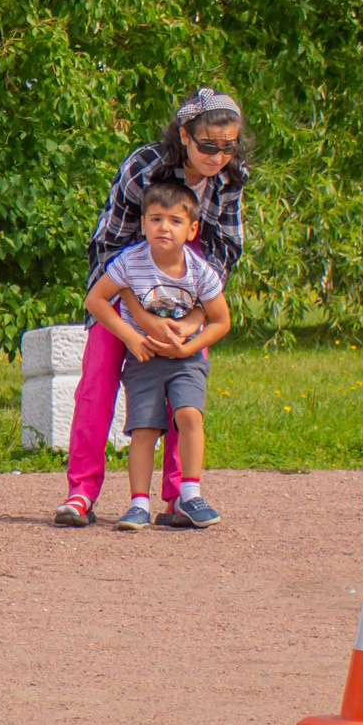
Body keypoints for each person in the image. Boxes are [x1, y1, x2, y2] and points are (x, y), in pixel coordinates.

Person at [55, 88, 250, 528]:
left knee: (184, 388)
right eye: (207, 146)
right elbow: (108, 244)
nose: (218, 156)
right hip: (122, 284)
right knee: (97, 385)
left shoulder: (232, 178)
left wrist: (192, 319)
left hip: (190, 288)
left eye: (228, 146)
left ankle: (179, 496)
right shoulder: (142, 169)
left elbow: (224, 252)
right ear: (184, 136)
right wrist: (138, 316)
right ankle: (81, 492)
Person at [83, 179, 232, 531]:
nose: (164, 227)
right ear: (144, 223)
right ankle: (138, 504)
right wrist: (132, 339)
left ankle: (190, 493)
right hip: (145, 358)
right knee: (144, 430)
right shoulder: (129, 261)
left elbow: (221, 320)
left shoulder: (200, 271)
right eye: (156, 219)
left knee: (190, 416)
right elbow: (95, 300)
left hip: (187, 359)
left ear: (192, 228)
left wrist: (189, 347)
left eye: (175, 221)